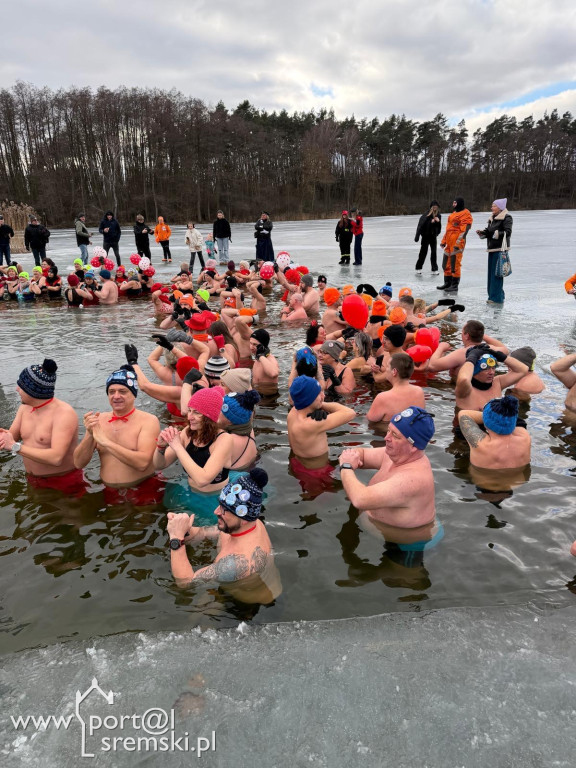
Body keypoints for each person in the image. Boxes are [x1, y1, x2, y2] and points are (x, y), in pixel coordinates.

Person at [166, 469, 273, 585]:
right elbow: (205, 533)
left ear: (244, 520)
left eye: (224, 510)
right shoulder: (245, 524)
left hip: (242, 602)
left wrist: (176, 540)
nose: (216, 511)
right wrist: (183, 528)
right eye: (220, 505)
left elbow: (186, 583)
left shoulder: (237, 563)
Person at [74, 366, 162, 504]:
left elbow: (143, 463)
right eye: (111, 392)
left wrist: (106, 442)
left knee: (144, 523)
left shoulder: (148, 421)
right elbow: (78, 463)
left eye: (122, 391)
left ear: (134, 394)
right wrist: (90, 435)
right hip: (109, 490)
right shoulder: (99, 420)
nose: (116, 396)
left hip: (143, 486)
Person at [338, 406, 435, 528]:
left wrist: (346, 466)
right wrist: (351, 457)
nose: (386, 438)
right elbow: (361, 454)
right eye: (388, 430)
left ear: (414, 446)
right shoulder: (397, 454)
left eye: (395, 435)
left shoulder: (412, 479)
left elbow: (360, 499)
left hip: (402, 544)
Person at [0, 358, 85, 494]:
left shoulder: (64, 413)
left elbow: (56, 458)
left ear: (32, 390)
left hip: (64, 481)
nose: (17, 389)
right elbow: (10, 439)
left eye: (20, 386)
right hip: (33, 480)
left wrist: (15, 446)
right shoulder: (24, 408)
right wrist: (3, 437)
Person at [288, 376, 355, 459]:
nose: (323, 395)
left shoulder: (292, 413)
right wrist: (322, 404)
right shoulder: (312, 424)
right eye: (319, 393)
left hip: (296, 462)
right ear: (309, 399)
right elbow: (350, 413)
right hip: (316, 469)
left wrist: (315, 405)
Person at [458, 395, 531, 470]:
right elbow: (514, 420)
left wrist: (488, 416)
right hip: (519, 481)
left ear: (486, 421)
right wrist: (503, 415)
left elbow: (463, 414)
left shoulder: (481, 444)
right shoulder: (525, 437)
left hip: (484, 481)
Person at [455, 344, 529, 410]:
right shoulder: (465, 390)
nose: (492, 372)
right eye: (486, 369)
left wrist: (501, 356)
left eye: (493, 368)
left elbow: (523, 370)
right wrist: (471, 358)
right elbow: (463, 379)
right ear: (474, 370)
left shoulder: (497, 383)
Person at [367, 353, 426, 422]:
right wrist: (376, 372)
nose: (386, 369)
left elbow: (370, 421)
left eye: (388, 366)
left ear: (394, 372)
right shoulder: (419, 391)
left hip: (387, 432)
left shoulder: (383, 397)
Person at [476, 198, 513, 304]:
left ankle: (496, 298)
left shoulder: (507, 217)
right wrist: (482, 233)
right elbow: (489, 231)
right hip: (492, 249)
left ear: (500, 207)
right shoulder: (492, 218)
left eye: (494, 206)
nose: (491, 207)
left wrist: (496, 234)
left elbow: (507, 232)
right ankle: (493, 295)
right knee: (491, 274)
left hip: (500, 249)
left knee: (497, 274)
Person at [437, 197, 473, 293]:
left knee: (455, 264)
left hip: (457, 242)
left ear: (459, 204)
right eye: (453, 203)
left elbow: (464, 231)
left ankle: (454, 285)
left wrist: (458, 243)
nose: (453, 204)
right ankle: (447, 283)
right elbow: (448, 230)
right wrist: (443, 241)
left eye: (455, 203)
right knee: (446, 263)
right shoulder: (453, 214)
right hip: (449, 242)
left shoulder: (466, 214)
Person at [414, 200, 441, 275]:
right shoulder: (425, 215)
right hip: (425, 237)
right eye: (434, 207)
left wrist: (438, 222)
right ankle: (418, 268)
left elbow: (439, 228)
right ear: (431, 207)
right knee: (423, 253)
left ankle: (434, 269)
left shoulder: (438, 215)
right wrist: (417, 236)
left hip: (433, 237)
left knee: (434, 253)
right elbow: (420, 226)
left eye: (436, 207)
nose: (435, 208)